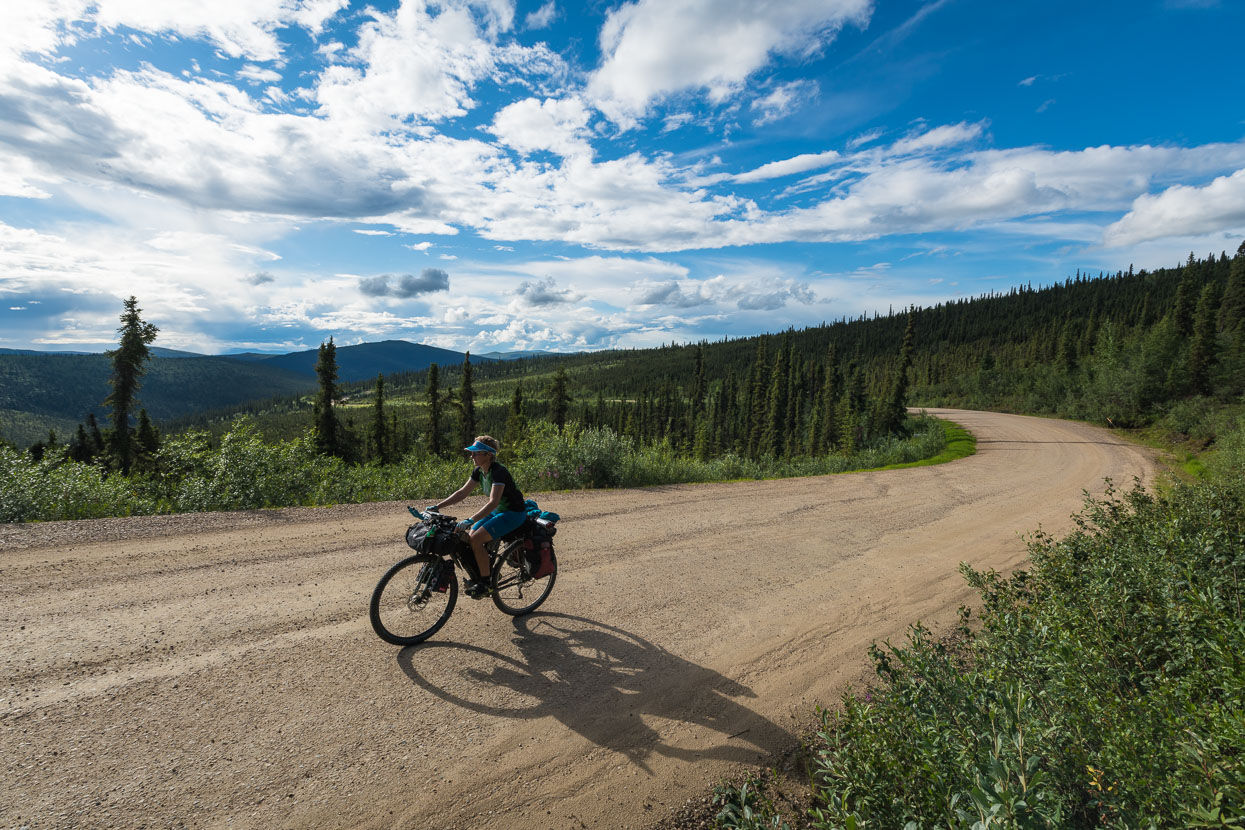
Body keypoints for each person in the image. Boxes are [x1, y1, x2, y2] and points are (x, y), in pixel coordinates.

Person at [430, 435, 527, 598]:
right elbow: (462, 493)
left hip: (513, 513)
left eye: (476, 453)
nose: (472, 456)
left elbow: (493, 502)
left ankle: (486, 582)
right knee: (468, 537)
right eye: (472, 453)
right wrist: (437, 506)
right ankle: (487, 571)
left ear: (488, 455)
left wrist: (470, 520)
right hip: (499, 512)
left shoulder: (499, 472)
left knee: (476, 539)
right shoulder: (479, 471)